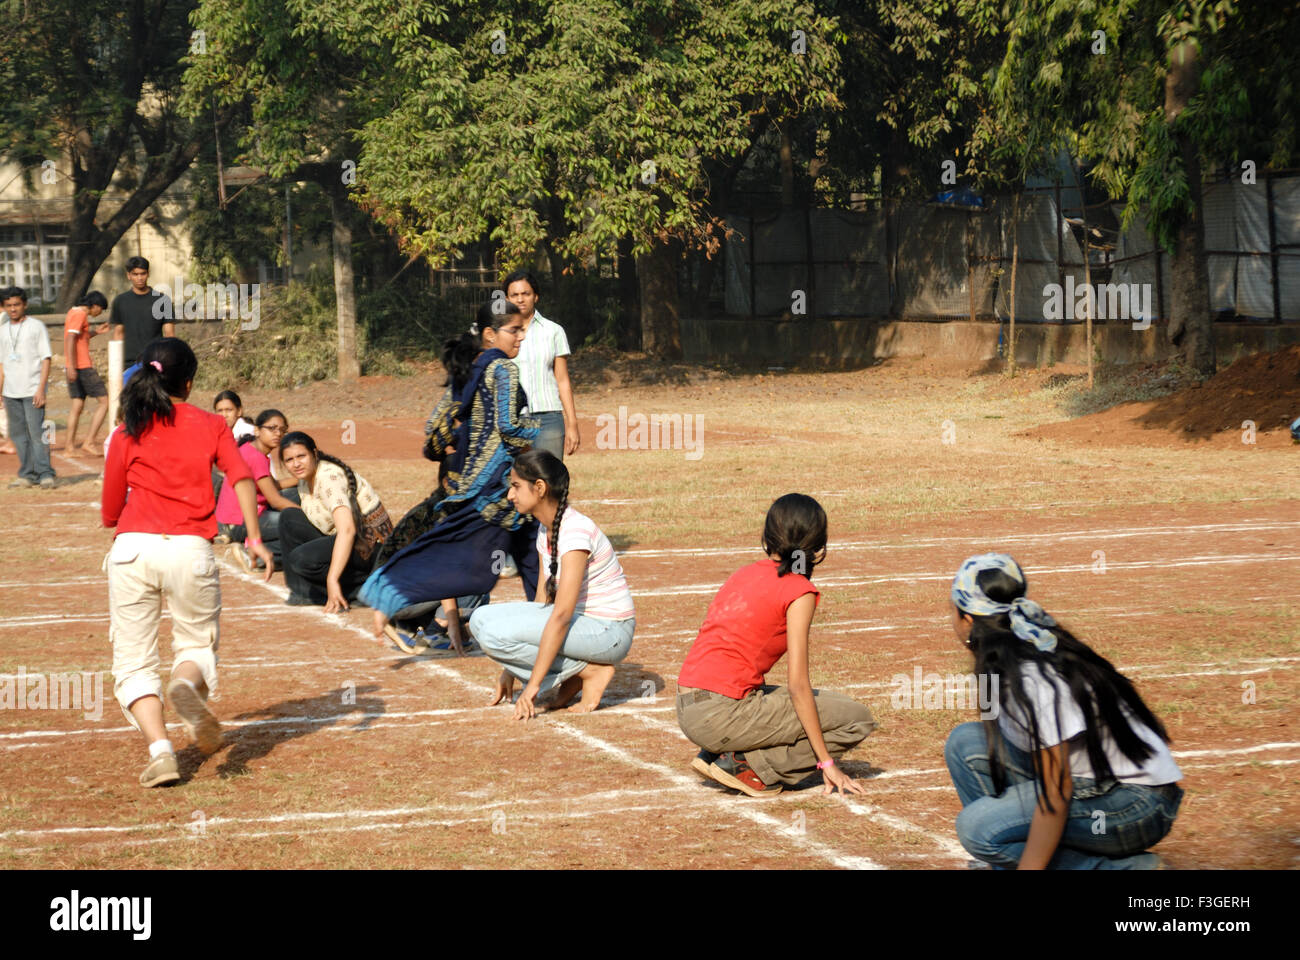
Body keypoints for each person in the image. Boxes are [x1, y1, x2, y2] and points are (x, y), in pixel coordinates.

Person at [101, 337, 274, 787]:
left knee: (133, 663)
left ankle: (160, 751)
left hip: (133, 549)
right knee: (197, 646)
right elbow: (239, 476)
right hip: (190, 550)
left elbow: (109, 508)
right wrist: (254, 537)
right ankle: (185, 681)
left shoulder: (126, 429)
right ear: (190, 383)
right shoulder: (213, 424)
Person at [943, 553, 1184, 870]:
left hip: (1138, 806)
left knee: (978, 830)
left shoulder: (1032, 678)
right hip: (1101, 788)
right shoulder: (1016, 648)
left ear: (969, 619)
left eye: (953, 611)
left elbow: (1055, 794)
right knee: (966, 744)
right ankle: (1004, 862)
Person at [361, 300, 539, 652]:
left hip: (467, 489)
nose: (522, 337)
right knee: (493, 558)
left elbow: (433, 434)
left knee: (527, 550)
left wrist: (462, 443)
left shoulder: (468, 370)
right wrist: (538, 428)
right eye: (514, 330)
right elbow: (509, 429)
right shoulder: (503, 368)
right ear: (490, 334)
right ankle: (386, 597)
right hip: (497, 491)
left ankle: (547, 630)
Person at [676, 494, 875, 798]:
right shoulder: (799, 590)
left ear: (767, 537)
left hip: (688, 704)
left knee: (828, 705)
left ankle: (720, 754)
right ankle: (749, 767)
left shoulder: (744, 573)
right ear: (818, 547)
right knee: (855, 718)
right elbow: (798, 686)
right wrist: (826, 763)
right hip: (719, 715)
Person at [471, 450, 635, 717]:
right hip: (583, 625)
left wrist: (531, 687)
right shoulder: (545, 528)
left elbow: (560, 615)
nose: (510, 495)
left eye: (515, 486)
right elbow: (542, 604)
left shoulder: (575, 531)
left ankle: (591, 671)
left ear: (540, 488)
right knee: (480, 619)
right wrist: (510, 667)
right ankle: (578, 672)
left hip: (610, 632)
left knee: (493, 635)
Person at [277, 431, 392, 611]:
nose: (296, 464)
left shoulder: (329, 477)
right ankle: (303, 592)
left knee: (301, 559)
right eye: (289, 460)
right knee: (289, 517)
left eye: (301, 456)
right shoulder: (304, 479)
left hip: (370, 548)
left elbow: (347, 531)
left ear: (314, 454)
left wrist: (332, 578)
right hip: (345, 539)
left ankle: (363, 589)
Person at [504, 270, 580, 459]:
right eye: (515, 295)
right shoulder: (500, 335)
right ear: (506, 298)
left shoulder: (553, 331)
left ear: (535, 296)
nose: (520, 299)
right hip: (511, 420)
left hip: (549, 419)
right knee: (512, 482)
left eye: (526, 294)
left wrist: (572, 423)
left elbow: (562, 380)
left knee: (549, 481)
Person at [215, 409, 296, 570]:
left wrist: (300, 480)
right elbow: (275, 499)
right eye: (272, 428)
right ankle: (254, 557)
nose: (277, 433)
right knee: (300, 529)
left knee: (297, 493)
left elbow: (273, 486)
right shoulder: (256, 457)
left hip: (235, 518)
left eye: (282, 429)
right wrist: (306, 516)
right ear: (257, 430)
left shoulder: (250, 448)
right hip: (241, 521)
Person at [0, 286, 55, 489]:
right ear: (3, 307)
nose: (13, 309)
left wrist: (41, 389)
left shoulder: (36, 326)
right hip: (11, 391)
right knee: (18, 435)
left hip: (32, 389)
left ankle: (45, 473)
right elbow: (2, 364)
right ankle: (27, 474)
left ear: (24, 305)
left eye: (16, 305)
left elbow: (46, 359)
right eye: (8, 306)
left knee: (37, 433)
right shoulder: (2, 330)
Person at [109, 256, 175, 381]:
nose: (139, 278)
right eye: (135, 274)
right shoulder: (120, 301)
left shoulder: (162, 300)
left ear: (148, 274)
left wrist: (169, 363)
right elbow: (118, 334)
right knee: (129, 400)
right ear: (129, 275)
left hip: (155, 364)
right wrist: (115, 366)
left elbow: (169, 335)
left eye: (143, 273)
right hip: (128, 365)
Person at [62, 291, 111, 455]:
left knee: (77, 404)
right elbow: (70, 339)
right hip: (82, 366)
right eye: (101, 309)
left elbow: (80, 337)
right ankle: (89, 441)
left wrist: (96, 331)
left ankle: (69, 447)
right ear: (95, 306)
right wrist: (72, 366)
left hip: (76, 365)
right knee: (105, 401)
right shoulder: (81, 314)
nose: (100, 313)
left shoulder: (73, 312)